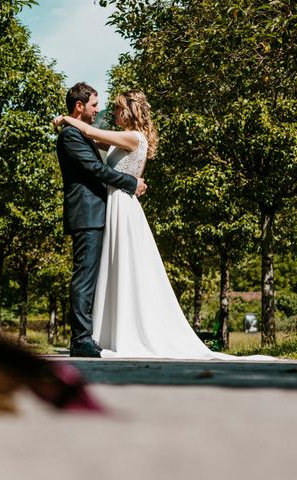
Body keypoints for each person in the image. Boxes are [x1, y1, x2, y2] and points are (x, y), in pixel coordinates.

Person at [55, 90, 272, 360]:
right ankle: (104, 333)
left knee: (123, 269)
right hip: (113, 207)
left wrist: (65, 118)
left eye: (118, 108)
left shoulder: (133, 137)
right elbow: (90, 136)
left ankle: (120, 333)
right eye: (101, 106)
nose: (112, 112)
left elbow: (91, 133)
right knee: (113, 270)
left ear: (131, 111)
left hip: (121, 206)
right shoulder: (119, 138)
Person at [56, 83, 147, 358]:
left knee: (91, 276)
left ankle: (88, 337)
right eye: (94, 104)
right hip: (87, 213)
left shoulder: (79, 133)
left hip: (97, 211)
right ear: (79, 106)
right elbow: (96, 169)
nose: (98, 110)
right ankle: (81, 340)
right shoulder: (71, 135)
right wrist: (131, 182)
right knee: (84, 276)